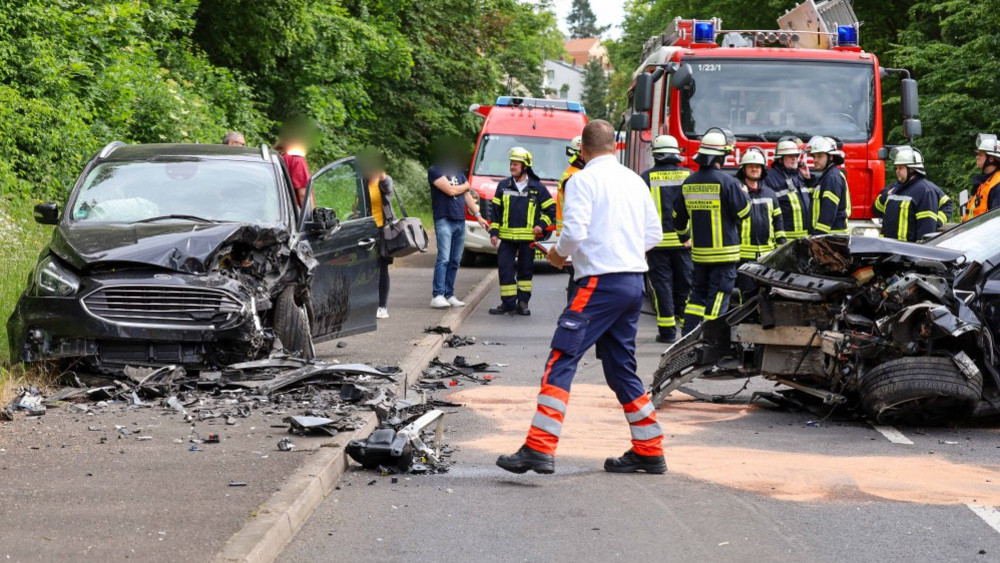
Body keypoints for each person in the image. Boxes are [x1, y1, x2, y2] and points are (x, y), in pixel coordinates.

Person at [495, 120, 665, 475]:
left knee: (562, 356)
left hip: (598, 284)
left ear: (583, 151)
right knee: (621, 368)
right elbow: (654, 234)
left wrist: (558, 254)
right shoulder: (635, 181)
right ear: (616, 148)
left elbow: (574, 231)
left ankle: (539, 447)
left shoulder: (582, 180)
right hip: (633, 282)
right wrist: (625, 251)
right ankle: (649, 448)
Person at [673, 127, 751, 336]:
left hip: (699, 254)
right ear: (722, 156)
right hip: (725, 254)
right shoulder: (729, 182)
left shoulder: (688, 183)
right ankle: (711, 337)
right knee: (719, 295)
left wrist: (684, 237)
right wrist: (746, 195)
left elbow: (677, 218)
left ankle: (688, 334)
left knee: (697, 294)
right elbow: (744, 212)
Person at [487, 147, 555, 316]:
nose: (512, 167)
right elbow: (495, 212)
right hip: (507, 239)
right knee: (505, 271)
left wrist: (541, 225)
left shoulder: (537, 188)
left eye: (516, 164)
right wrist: (494, 233)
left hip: (527, 240)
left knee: (525, 272)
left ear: (525, 166)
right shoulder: (503, 186)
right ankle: (508, 304)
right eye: (511, 164)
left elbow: (551, 211)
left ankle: (523, 303)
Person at [640, 134, 693, 343]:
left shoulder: (645, 178)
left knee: (662, 286)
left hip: (657, 243)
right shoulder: (689, 175)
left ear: (656, 155)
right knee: (687, 285)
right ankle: (689, 330)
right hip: (685, 242)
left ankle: (667, 332)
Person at [428, 142, 488, 309]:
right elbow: (451, 191)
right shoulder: (435, 171)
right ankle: (437, 295)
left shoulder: (459, 173)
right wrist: (465, 186)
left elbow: (467, 196)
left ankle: (449, 294)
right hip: (444, 219)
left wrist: (479, 216)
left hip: (459, 220)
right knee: (444, 258)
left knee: (455, 260)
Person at [736, 148, 784, 301]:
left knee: (767, 294)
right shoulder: (736, 192)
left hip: (767, 256)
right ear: (743, 169)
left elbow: (778, 221)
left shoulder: (770, 194)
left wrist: (781, 245)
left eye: (757, 166)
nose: (754, 169)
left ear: (762, 169)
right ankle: (746, 322)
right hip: (743, 255)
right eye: (750, 166)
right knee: (746, 295)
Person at [872, 146, 940, 241]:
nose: (897, 171)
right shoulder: (895, 188)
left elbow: (926, 229)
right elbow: (876, 209)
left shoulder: (925, 191)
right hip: (888, 248)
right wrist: (885, 196)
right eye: (896, 168)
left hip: (906, 251)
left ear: (912, 169)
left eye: (900, 168)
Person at [359, 150, 396, 319]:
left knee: (382, 268)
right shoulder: (362, 183)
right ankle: (367, 303)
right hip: (366, 230)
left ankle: (382, 306)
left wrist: (380, 173)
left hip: (382, 230)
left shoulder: (383, 181)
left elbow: (388, 187)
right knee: (366, 268)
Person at [762, 137, 812, 240]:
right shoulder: (769, 178)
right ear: (780, 159)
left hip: (806, 239)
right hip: (785, 240)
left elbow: (814, 201)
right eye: (790, 156)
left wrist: (809, 179)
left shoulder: (801, 176)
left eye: (796, 155)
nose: (794, 158)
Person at [807, 136, 850, 234]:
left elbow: (828, 210)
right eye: (814, 156)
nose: (815, 160)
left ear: (830, 157)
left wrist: (818, 236)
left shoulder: (832, 177)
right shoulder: (828, 176)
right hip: (830, 236)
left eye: (819, 156)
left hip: (832, 237)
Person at [964, 134, 1000, 221]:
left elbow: (996, 221)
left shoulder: (997, 185)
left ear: (991, 159)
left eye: (980, 155)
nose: (977, 157)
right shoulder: (985, 182)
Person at [274, 138, 311, 207]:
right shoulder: (297, 160)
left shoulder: (275, 157)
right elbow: (303, 194)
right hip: (292, 212)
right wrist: (310, 216)